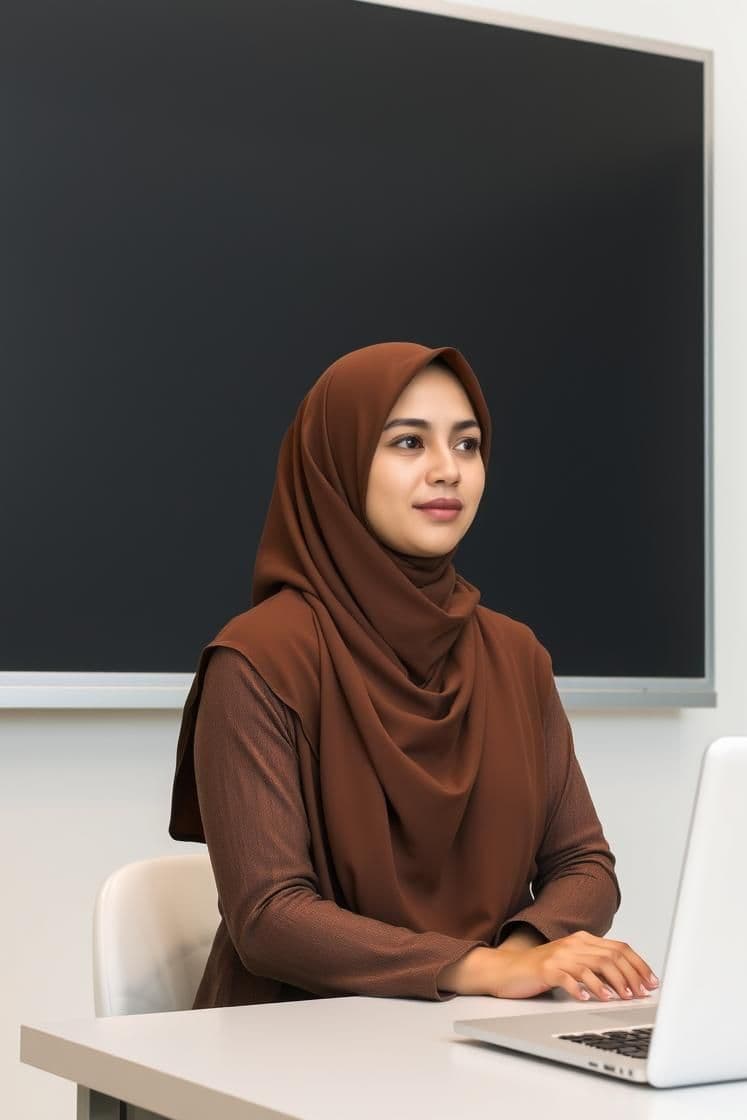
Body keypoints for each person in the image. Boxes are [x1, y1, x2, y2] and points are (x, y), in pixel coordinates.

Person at [169, 341, 657, 1008]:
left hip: (476, 1040)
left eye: (467, 445)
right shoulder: (259, 659)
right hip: (292, 1050)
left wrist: (519, 961)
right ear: (336, 464)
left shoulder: (516, 656)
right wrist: (480, 971)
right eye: (407, 443)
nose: (447, 471)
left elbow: (583, 866)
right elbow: (270, 918)